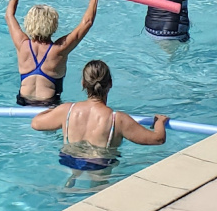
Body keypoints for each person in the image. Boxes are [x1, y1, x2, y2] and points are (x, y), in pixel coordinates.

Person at [29, 60, 168, 171]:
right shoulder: (117, 119)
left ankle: (72, 180)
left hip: (68, 158)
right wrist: (159, 122)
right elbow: (158, 139)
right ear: (110, 84)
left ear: (83, 83)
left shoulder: (67, 110)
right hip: (99, 164)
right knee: (99, 189)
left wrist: (54, 110)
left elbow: (36, 123)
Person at [3, 0, 100, 107]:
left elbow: (9, 15)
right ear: (53, 25)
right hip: (49, 103)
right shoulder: (60, 49)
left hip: (22, 101)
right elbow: (87, 23)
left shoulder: (22, 44)